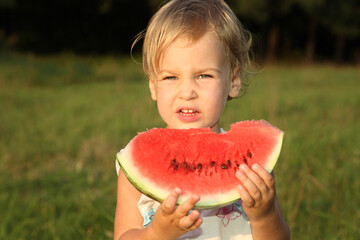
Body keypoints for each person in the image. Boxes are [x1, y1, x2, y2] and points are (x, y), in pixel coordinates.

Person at [114, 0, 290, 239]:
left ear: (233, 81)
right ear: (153, 86)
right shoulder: (131, 171)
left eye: (204, 75)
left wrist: (264, 216)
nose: (187, 92)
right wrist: (156, 234)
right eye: (170, 78)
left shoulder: (249, 167)